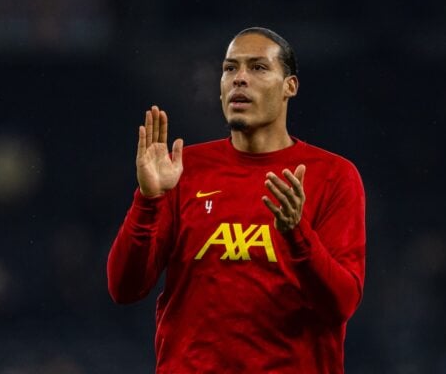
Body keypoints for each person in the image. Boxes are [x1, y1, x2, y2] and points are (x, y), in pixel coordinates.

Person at [107, 27, 366, 373]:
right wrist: (148, 200)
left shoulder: (333, 175)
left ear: (290, 86)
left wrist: (296, 233)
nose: (239, 79)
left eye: (258, 67)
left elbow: (341, 304)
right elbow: (124, 288)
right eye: (230, 68)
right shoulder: (184, 170)